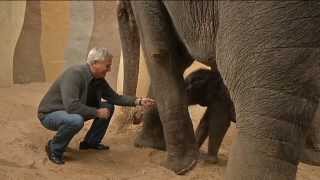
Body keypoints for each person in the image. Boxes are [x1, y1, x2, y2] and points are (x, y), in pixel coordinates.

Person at [37, 47, 155, 165]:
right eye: (107, 66)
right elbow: (72, 107)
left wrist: (139, 101)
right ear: (95, 63)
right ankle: (54, 148)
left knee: (108, 106)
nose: (109, 70)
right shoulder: (74, 74)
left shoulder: (98, 79)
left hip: (71, 112)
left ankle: (90, 143)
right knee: (76, 120)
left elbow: (115, 98)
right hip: (50, 114)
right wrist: (97, 112)